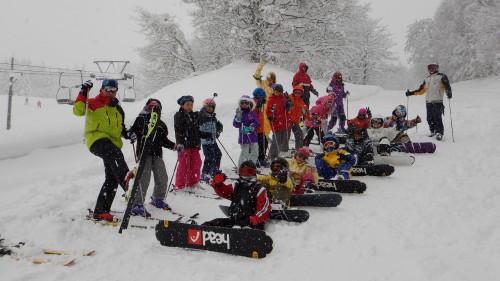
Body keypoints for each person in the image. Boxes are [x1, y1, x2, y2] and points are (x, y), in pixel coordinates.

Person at [73, 79, 133, 221]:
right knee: (115, 154)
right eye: (108, 89)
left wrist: (128, 134)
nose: (111, 92)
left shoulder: (118, 109)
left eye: (114, 90)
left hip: (112, 142)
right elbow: (78, 110)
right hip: (96, 139)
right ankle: (128, 184)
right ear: (101, 89)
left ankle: (101, 211)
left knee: (111, 178)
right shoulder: (93, 103)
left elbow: (121, 128)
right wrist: (83, 92)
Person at [128, 99, 181, 217]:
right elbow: (133, 132)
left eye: (156, 108)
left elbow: (163, 140)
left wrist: (174, 146)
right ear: (147, 107)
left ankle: (158, 198)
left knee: (162, 176)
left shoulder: (161, 124)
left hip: (157, 154)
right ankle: (137, 204)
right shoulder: (141, 119)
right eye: (151, 107)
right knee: (144, 178)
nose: (153, 110)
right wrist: (132, 135)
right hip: (143, 154)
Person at [204, 161, 271, 230]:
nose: (246, 175)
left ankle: (243, 234)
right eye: (243, 172)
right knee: (216, 223)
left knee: (245, 229)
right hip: (236, 220)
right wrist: (218, 184)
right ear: (240, 173)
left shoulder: (259, 189)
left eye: (250, 172)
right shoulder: (236, 185)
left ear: (254, 173)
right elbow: (224, 192)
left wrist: (255, 219)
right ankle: (201, 229)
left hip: (252, 223)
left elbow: (264, 208)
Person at [406, 63, 452, 141]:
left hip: (438, 101)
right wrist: (411, 93)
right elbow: (421, 90)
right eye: (429, 68)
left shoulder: (442, 76)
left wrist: (449, 92)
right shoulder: (427, 79)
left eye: (432, 68)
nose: (431, 69)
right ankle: (432, 131)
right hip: (428, 102)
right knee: (429, 118)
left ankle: (439, 133)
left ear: (436, 68)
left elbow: (447, 86)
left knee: (437, 117)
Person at [174, 95, 205, 191]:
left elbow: (196, 130)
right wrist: (181, 142)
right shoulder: (178, 116)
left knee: (196, 163)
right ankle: (180, 185)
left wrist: (204, 134)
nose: (189, 107)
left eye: (191, 105)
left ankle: (193, 183)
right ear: (182, 105)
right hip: (184, 145)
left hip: (194, 145)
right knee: (184, 165)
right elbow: (179, 129)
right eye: (187, 105)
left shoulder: (193, 115)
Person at [198, 98, 223, 183]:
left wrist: (218, 132)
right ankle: (205, 173)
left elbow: (219, 125)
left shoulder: (213, 117)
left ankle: (214, 171)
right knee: (209, 158)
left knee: (218, 155)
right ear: (204, 107)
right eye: (207, 107)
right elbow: (198, 121)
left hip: (213, 141)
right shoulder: (201, 116)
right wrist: (202, 112)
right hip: (205, 142)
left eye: (212, 107)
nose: (210, 108)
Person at [266, 84, 292, 160]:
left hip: (285, 122)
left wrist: (289, 103)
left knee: (284, 141)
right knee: (276, 141)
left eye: (280, 91)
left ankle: (279, 155)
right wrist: (270, 115)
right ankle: (271, 157)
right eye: (277, 90)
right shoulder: (271, 99)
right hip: (277, 123)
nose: (278, 92)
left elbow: (290, 108)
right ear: (274, 90)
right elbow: (268, 111)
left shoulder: (284, 98)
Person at [234, 95, 260, 166]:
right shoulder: (239, 113)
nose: (244, 105)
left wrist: (250, 127)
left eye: (246, 103)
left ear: (249, 104)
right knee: (245, 153)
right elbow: (236, 124)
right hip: (243, 138)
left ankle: (252, 166)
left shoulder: (252, 113)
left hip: (253, 137)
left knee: (255, 152)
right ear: (240, 104)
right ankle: (241, 167)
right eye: (242, 103)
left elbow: (256, 122)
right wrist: (238, 119)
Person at [287, 85, 309, 150]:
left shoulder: (301, 103)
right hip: (286, 121)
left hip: (295, 122)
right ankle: (283, 151)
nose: (297, 94)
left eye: (299, 93)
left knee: (299, 135)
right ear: (293, 92)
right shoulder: (289, 98)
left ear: (302, 93)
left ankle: (299, 150)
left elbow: (306, 113)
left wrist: (312, 117)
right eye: (296, 92)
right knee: (286, 137)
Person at [252, 88, 270, 167]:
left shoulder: (261, 103)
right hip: (255, 128)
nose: (264, 97)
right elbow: (252, 111)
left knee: (264, 142)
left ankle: (261, 159)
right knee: (259, 144)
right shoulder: (253, 102)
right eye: (263, 96)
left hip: (260, 128)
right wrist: (258, 105)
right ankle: (257, 159)